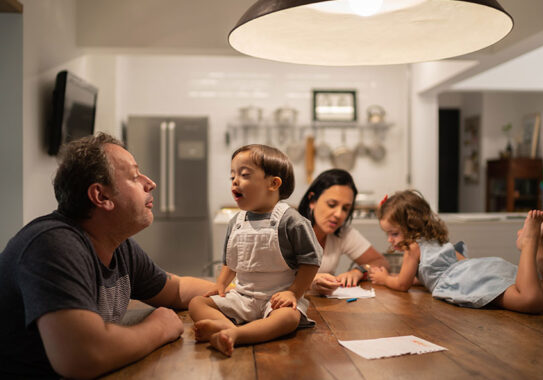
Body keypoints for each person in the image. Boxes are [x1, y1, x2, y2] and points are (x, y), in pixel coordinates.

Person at [0, 133, 216, 379]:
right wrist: (160, 327)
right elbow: (82, 356)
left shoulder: (116, 245)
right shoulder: (52, 245)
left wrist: (239, 293)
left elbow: (176, 289)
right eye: (135, 176)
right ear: (101, 196)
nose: (150, 183)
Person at [188, 144, 321, 356]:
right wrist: (220, 286)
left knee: (289, 318)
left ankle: (235, 335)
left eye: (244, 174)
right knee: (197, 302)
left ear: (273, 183)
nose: (235, 181)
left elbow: (311, 261)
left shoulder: (291, 221)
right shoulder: (236, 222)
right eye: (232, 176)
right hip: (242, 297)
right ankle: (227, 330)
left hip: (277, 300)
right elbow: (230, 262)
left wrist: (294, 292)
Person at [370, 189, 543, 314]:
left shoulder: (413, 247)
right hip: (480, 268)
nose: (390, 239)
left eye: (394, 233)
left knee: (531, 301)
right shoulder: (436, 241)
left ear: (411, 225)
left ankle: (530, 243)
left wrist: (385, 278)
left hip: (469, 280)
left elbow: (402, 284)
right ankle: (539, 245)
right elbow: (440, 270)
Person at [297, 169, 390, 295]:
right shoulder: (291, 229)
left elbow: (382, 263)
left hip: (323, 308)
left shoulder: (342, 233)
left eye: (346, 208)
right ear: (312, 201)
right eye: (331, 204)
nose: (339, 214)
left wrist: (359, 271)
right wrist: (311, 280)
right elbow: (272, 279)